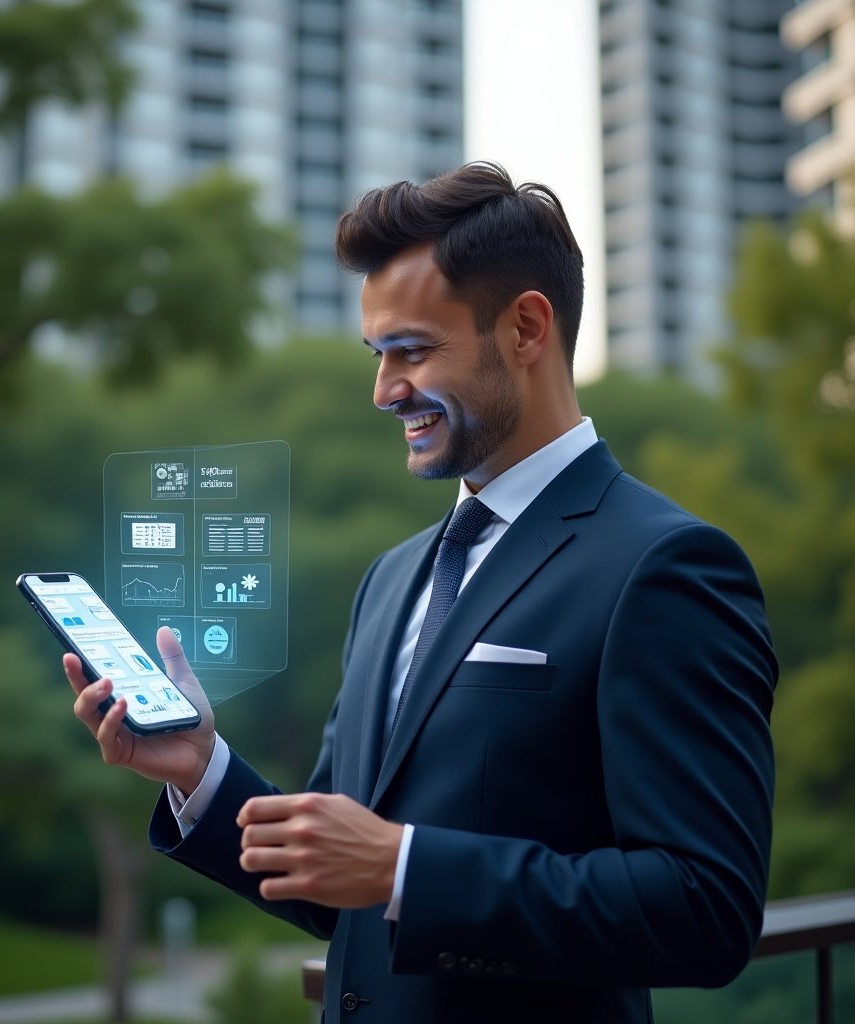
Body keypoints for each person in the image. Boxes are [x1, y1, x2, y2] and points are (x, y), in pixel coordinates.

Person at [65, 162, 776, 1023]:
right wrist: (203, 775)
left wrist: (406, 867)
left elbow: (707, 908)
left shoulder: (668, 568)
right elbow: (337, 887)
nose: (383, 390)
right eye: (378, 355)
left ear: (525, 327)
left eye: (413, 350)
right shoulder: (393, 578)